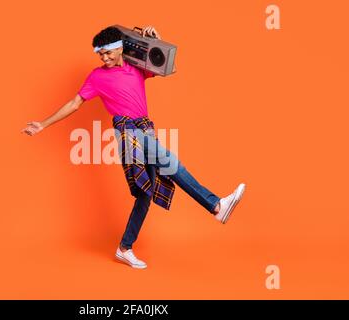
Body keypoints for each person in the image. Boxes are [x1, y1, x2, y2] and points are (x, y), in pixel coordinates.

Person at [21, 25, 246, 269]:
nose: (104, 58)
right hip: (127, 132)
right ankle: (215, 205)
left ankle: (124, 248)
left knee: (144, 194)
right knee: (169, 161)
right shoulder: (96, 77)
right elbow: (75, 103)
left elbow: (170, 68)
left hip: (144, 128)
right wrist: (42, 125)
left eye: (108, 53)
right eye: (101, 55)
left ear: (120, 48)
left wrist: (156, 42)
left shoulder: (136, 67)